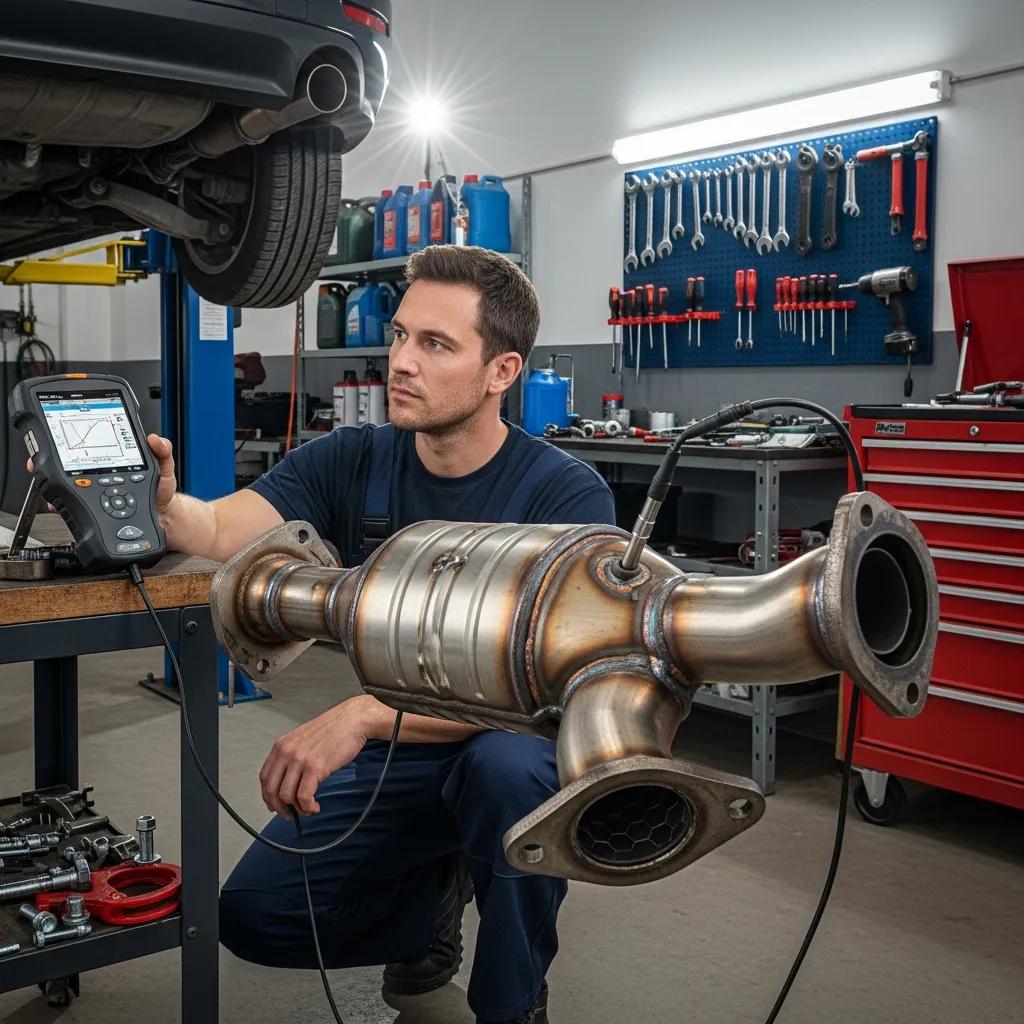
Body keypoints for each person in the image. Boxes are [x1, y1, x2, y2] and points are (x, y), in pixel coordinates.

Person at [149, 246, 616, 1024]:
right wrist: (171, 511)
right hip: (405, 747)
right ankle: (430, 902)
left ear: (502, 371)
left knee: (511, 774)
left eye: (435, 345)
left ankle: (514, 1003)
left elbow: (554, 688)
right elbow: (227, 526)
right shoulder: (354, 458)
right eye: (400, 336)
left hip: (506, 741)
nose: (401, 361)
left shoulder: (564, 493)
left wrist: (365, 715)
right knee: (252, 915)